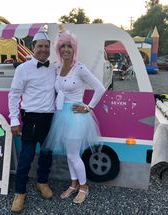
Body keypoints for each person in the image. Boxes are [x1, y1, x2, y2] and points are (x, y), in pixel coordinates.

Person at [42, 28, 106, 204]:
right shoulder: (60, 67)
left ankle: (84, 187)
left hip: (76, 117)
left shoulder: (80, 68)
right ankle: (73, 184)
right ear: (59, 49)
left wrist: (89, 107)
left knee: (72, 155)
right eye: (63, 47)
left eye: (69, 47)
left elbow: (100, 88)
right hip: (62, 114)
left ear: (74, 49)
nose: (66, 50)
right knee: (70, 154)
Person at [8, 29, 56, 213]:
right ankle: (20, 192)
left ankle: (42, 182)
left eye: (46, 46)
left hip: (50, 118)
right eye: (40, 46)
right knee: (26, 156)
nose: (43, 49)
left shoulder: (54, 68)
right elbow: (14, 95)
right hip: (31, 118)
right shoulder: (22, 69)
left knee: (46, 155)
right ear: (32, 47)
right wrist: (14, 119)